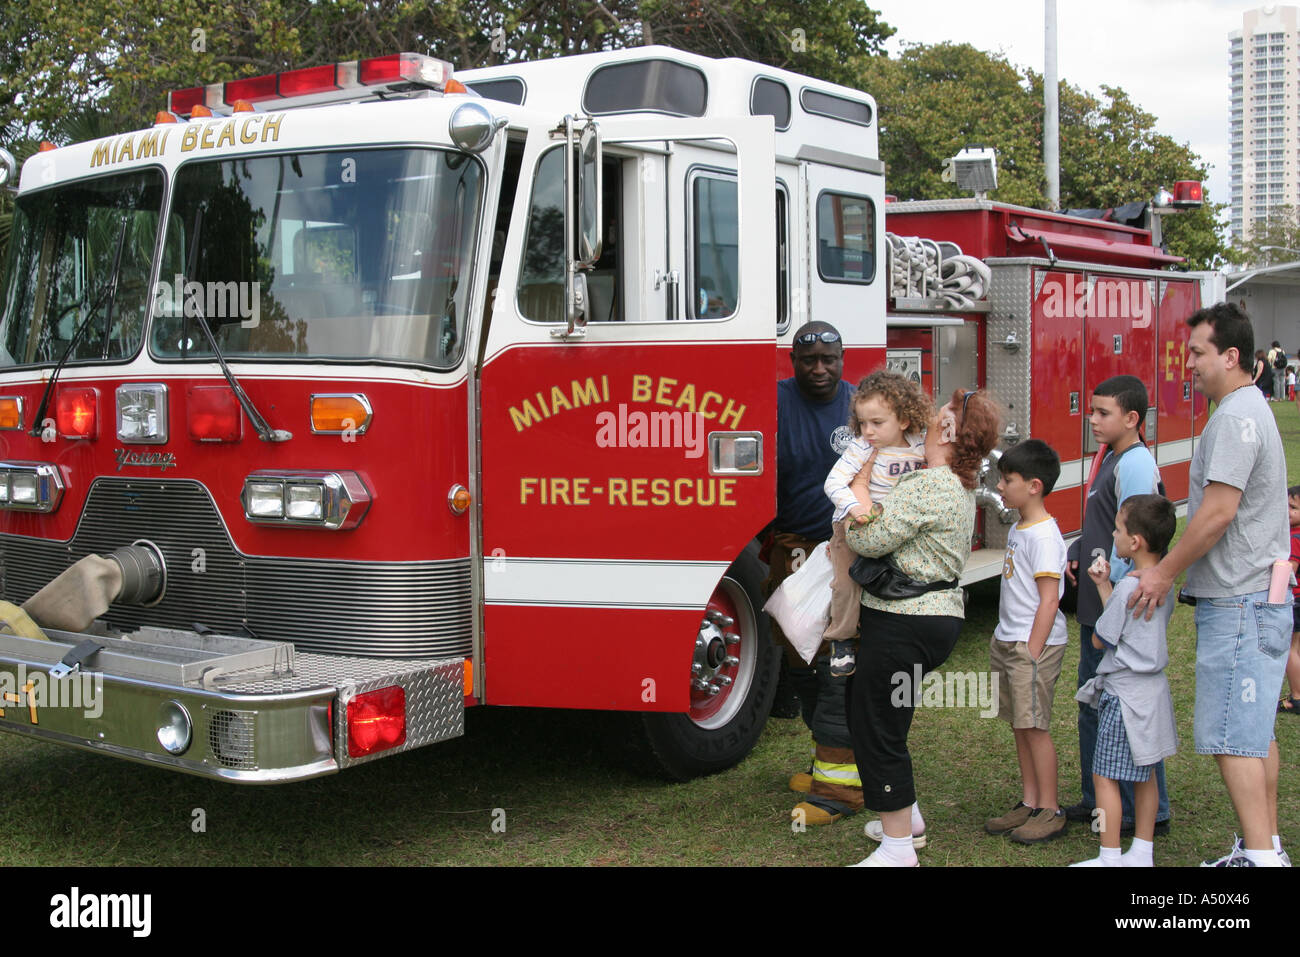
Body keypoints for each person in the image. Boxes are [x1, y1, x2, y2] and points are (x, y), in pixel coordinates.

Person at [1128, 302, 1291, 867]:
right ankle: (1261, 847)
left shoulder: (1235, 418)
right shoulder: (1248, 410)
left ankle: (1262, 860)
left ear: (1231, 356)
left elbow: (1219, 512)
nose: (1189, 364)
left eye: (1197, 353)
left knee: (1230, 737)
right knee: (1252, 733)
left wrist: (1163, 571)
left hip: (1241, 602)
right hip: (1258, 599)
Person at [844, 388, 1001, 866]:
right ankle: (905, 818)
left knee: (876, 726)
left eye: (942, 416)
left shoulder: (929, 483)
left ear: (950, 432)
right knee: (891, 718)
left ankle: (897, 850)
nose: (931, 419)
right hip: (936, 617)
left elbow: (867, 538)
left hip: (902, 622)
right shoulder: (957, 482)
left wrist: (859, 493)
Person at [1063, 376, 1171, 836]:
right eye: (1091, 411)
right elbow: (1107, 525)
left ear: (1132, 419)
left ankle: (1137, 812)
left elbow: (1136, 537)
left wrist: (1118, 609)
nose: (1092, 420)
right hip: (1099, 602)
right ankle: (1100, 802)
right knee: (1099, 710)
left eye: (1103, 412)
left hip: (1114, 612)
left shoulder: (1135, 463)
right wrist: (1078, 549)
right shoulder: (1110, 456)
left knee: (1123, 715)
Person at [766, 320, 862, 825]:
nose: (819, 369)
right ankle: (827, 758)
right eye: (809, 360)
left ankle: (840, 782)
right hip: (791, 550)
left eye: (829, 359)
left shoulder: (860, 406)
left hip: (844, 553)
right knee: (798, 658)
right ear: (793, 363)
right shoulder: (771, 400)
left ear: (843, 359)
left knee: (833, 664)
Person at [1071, 495, 1179, 867]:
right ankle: (1142, 852)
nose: (1113, 535)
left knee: (1104, 776)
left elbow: (1102, 638)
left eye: (1118, 529)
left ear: (1135, 542)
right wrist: (1107, 587)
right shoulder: (1161, 585)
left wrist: (1110, 591)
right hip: (1152, 693)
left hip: (1124, 695)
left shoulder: (1127, 590)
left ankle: (1109, 855)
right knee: (1145, 773)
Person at [983, 438, 1070, 845]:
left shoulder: (1045, 537)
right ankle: (1030, 801)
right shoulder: (1020, 525)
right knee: (1020, 725)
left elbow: (1050, 601)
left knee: (1034, 727)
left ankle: (1049, 809)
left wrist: (1031, 653)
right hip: (1009, 640)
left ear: (1034, 485)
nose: (1000, 487)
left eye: (1008, 480)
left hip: (1030, 648)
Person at [822, 371, 929, 678]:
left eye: (877, 423)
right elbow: (834, 483)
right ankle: (841, 639)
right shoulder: (862, 447)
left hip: (896, 526)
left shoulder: (919, 445)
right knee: (846, 583)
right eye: (862, 422)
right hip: (852, 526)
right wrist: (854, 508)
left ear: (904, 420)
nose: (868, 430)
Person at [1279, 485, 1300, 716]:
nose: (1287, 511)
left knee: (1290, 649)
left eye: (1293, 508)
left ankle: (1296, 696)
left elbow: (1289, 570)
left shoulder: (1294, 538)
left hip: (1295, 600)